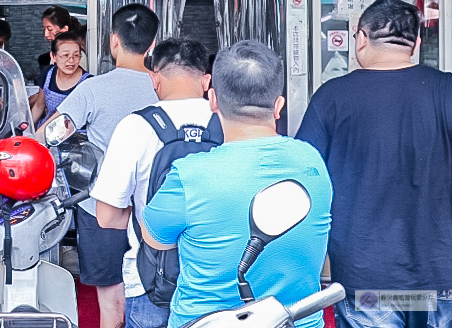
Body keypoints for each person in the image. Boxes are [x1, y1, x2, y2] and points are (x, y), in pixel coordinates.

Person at [141, 41, 332, 328]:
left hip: (205, 322)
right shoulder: (312, 160)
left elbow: (155, 238)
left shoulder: (189, 174)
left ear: (213, 100)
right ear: (278, 105)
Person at [296, 0, 452, 328]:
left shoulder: (332, 97)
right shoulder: (447, 91)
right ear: (417, 44)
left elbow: (304, 181)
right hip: (443, 282)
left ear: (361, 38)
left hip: (368, 284)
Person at [39, 4, 161, 328]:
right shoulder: (165, 87)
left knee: (110, 302)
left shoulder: (92, 89)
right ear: (152, 45)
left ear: (113, 42)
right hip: (156, 209)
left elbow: (51, 134)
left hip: (101, 208)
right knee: (156, 295)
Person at [92, 39, 214, 328]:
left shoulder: (135, 127)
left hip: (151, 279)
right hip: (219, 279)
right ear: (206, 80)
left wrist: (140, 216)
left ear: (154, 79)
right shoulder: (228, 122)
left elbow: (106, 216)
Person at [30, 32, 91, 124]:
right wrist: (27, 131)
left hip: (75, 135)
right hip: (46, 131)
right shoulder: (48, 74)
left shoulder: (88, 82)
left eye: (76, 55)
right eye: (65, 55)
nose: (71, 61)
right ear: (53, 56)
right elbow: (39, 106)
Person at [37, 6, 84, 72]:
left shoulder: (80, 57)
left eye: (50, 29)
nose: (46, 34)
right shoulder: (46, 59)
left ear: (64, 29)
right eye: (44, 29)